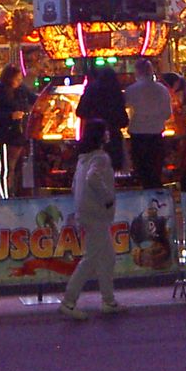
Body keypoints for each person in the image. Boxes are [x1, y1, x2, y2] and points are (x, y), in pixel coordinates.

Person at [59, 118, 124, 320]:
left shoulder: (82, 159)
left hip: (85, 213)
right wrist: (108, 198)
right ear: (100, 135)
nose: (108, 134)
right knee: (91, 259)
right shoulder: (100, 158)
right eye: (105, 131)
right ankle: (69, 301)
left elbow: (75, 185)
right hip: (97, 215)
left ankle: (109, 300)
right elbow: (93, 178)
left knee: (107, 257)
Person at [123, 57, 173, 190]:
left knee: (142, 173)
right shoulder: (162, 90)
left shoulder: (131, 90)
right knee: (155, 172)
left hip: (138, 136)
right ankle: (156, 197)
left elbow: (123, 109)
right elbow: (167, 114)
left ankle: (144, 197)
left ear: (137, 72)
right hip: (156, 136)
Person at [0, 64, 30, 198]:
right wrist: (10, 115)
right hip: (4, 134)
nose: (19, 81)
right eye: (17, 78)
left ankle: (15, 193)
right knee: (5, 168)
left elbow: (33, 98)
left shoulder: (21, 90)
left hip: (18, 135)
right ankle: (5, 196)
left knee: (17, 168)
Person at [77, 64, 128, 168]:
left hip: (93, 138)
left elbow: (80, 111)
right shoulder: (116, 92)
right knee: (112, 168)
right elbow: (123, 120)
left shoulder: (91, 89)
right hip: (113, 138)